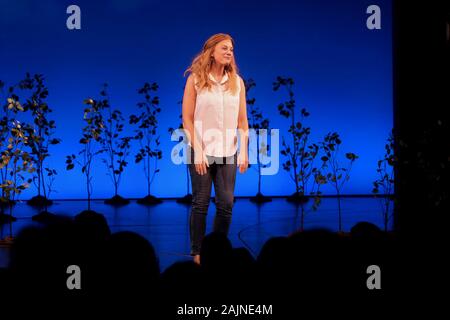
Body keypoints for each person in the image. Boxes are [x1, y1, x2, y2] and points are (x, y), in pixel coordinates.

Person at [182, 33, 249, 265]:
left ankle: (217, 252)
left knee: (226, 204)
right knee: (200, 203)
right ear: (211, 51)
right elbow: (187, 119)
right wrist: (198, 150)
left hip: (227, 151)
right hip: (200, 148)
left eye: (231, 48)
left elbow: (243, 121)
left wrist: (244, 151)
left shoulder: (237, 82)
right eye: (224, 48)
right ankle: (197, 253)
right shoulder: (196, 79)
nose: (229, 52)